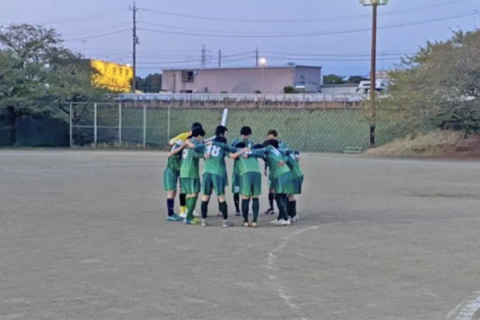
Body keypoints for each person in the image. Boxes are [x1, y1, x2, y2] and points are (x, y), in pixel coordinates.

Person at [189, 132, 241, 228]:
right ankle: (225, 221)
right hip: (218, 174)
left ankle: (204, 221)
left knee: (205, 197)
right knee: (221, 197)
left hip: (206, 173)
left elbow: (196, 148)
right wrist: (242, 151)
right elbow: (232, 155)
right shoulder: (222, 147)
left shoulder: (206, 146)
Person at [249, 139, 292, 226]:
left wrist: (248, 152)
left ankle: (286, 218)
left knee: (278, 196)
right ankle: (280, 218)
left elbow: (259, 152)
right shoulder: (276, 150)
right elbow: (288, 152)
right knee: (283, 196)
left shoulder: (268, 149)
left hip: (280, 173)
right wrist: (284, 159)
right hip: (286, 172)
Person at [169, 122, 202, 218]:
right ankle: (182, 210)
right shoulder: (184, 136)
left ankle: (189, 208)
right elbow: (171, 142)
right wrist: (182, 144)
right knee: (183, 189)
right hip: (179, 164)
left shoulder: (195, 139)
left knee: (189, 190)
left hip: (185, 163)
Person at [229, 142, 264, 228]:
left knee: (245, 197)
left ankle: (245, 221)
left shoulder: (238, 156)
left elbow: (236, 170)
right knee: (255, 197)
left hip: (246, 173)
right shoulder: (252, 154)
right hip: (257, 173)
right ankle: (255, 221)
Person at [179, 127, 205, 225]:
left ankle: (188, 215)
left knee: (189, 194)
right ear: (198, 135)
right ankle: (189, 217)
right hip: (191, 172)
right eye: (201, 136)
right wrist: (205, 155)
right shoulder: (195, 142)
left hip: (183, 171)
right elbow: (196, 153)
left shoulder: (187, 141)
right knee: (194, 193)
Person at [230, 127, 255, 217]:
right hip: (237, 170)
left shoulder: (251, 144)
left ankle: (246, 208)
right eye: (243, 135)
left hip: (247, 170)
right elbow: (230, 152)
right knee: (236, 190)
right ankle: (237, 209)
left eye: (246, 135)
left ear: (249, 135)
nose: (244, 137)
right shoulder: (235, 142)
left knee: (247, 190)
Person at [163, 139, 186, 222]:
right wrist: (182, 146)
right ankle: (170, 213)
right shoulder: (175, 152)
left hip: (176, 172)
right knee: (171, 192)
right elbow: (171, 153)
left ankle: (174, 212)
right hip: (170, 172)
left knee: (176, 192)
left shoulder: (180, 154)